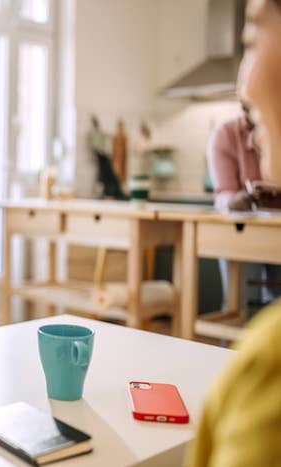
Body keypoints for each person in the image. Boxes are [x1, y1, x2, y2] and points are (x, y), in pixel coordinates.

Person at [188, 0, 281, 465]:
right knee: (243, 302)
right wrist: (247, 196)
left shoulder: (272, 368)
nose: (246, 82)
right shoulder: (225, 135)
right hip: (243, 229)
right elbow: (222, 197)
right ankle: (227, 351)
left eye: (252, 42)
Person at [208, 104, 281, 306]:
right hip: (239, 231)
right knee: (241, 305)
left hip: (278, 232)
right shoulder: (225, 135)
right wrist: (235, 200)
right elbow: (224, 193)